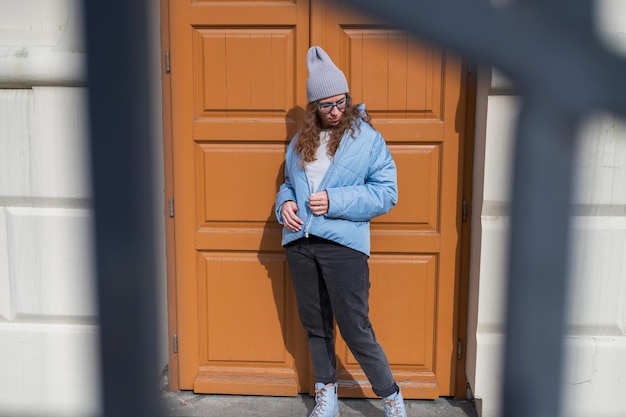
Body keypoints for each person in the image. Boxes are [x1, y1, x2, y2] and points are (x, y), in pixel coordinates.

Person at [275, 46, 407, 417]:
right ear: (313, 105)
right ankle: (327, 398)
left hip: (343, 246)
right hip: (300, 244)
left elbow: (386, 193)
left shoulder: (366, 139)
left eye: (341, 102)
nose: (335, 110)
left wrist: (334, 201)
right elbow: (289, 184)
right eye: (326, 104)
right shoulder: (300, 142)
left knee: (355, 327)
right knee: (315, 326)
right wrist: (284, 204)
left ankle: (392, 398)